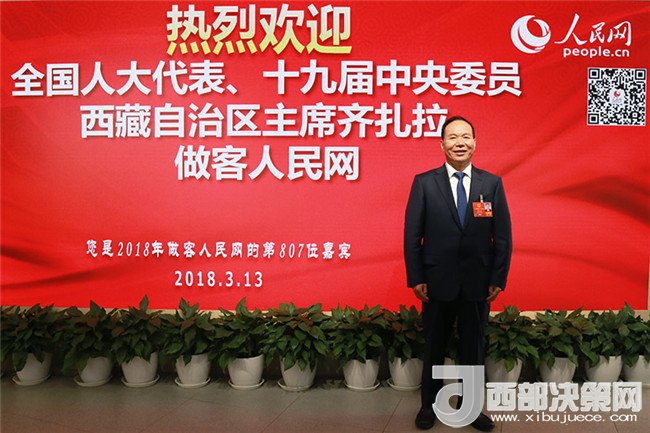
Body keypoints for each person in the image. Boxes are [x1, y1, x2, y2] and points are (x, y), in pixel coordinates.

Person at [404, 115, 512, 431]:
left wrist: (497, 278)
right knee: (434, 345)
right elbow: (412, 235)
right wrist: (416, 277)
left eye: (465, 137)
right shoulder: (424, 183)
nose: (459, 143)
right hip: (436, 281)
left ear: (475, 143)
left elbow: (502, 236)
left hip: (478, 282)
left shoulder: (491, 184)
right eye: (453, 137)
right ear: (442, 145)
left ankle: (471, 408)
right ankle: (429, 406)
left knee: (473, 348)